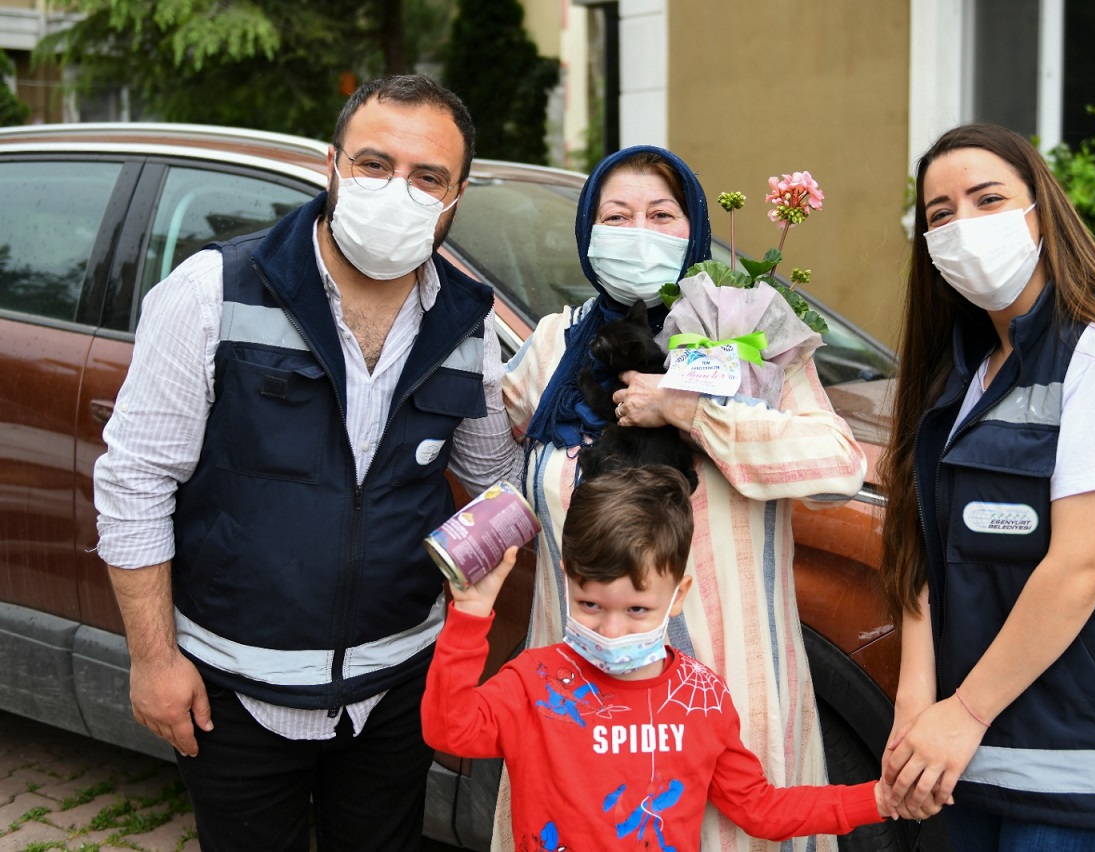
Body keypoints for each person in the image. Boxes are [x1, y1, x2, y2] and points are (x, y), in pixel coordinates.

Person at [91, 75, 520, 851]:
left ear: (456, 196)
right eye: (374, 164)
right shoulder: (213, 292)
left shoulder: (468, 324)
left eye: (428, 177)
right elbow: (135, 480)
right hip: (234, 693)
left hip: (395, 690)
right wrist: (153, 660)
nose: (399, 190)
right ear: (332, 164)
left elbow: (499, 482)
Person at [501, 145, 868, 850]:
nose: (638, 231)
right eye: (617, 215)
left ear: (694, 228)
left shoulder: (740, 336)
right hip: (577, 707)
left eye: (660, 215)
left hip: (726, 697)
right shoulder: (553, 348)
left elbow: (838, 463)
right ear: (588, 233)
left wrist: (689, 410)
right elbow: (493, 443)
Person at [877, 123, 1095, 850]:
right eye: (941, 214)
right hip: (976, 749)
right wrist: (919, 698)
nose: (964, 227)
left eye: (988, 198)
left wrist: (964, 713)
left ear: (1043, 212)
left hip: (1087, 764)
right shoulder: (965, 373)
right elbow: (922, 541)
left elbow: (1084, 563)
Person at [424, 466, 904, 848]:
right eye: (590, 604)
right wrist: (468, 615)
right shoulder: (535, 680)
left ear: (678, 595)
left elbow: (760, 809)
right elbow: (449, 729)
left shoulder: (703, 698)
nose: (612, 630)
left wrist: (877, 798)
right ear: (567, 577)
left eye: (637, 609)